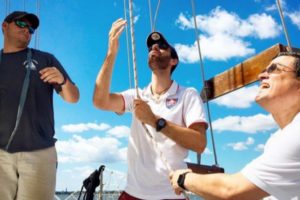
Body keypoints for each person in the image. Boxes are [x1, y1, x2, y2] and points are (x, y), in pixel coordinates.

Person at [93, 18, 207, 200]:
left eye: (161, 45)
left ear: (174, 60)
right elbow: (100, 101)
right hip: (133, 193)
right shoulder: (136, 95)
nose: (154, 47)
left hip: (171, 194)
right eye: (151, 47)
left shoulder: (187, 95)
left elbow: (199, 144)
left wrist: (154, 121)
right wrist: (111, 53)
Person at [169, 51, 300, 200]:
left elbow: (231, 190)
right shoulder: (278, 138)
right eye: (264, 70)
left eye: (274, 69)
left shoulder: (296, 133)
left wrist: (184, 178)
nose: (261, 76)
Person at [0, 11, 79, 200]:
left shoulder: (46, 59)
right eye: (21, 24)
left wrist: (62, 81)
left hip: (39, 153)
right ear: (5, 26)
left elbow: (73, 97)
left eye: (31, 29)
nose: (27, 30)